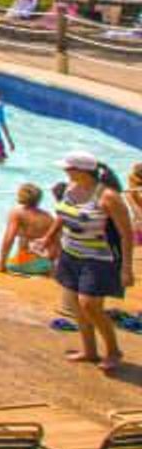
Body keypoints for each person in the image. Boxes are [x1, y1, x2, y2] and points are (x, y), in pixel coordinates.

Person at [40, 152, 136, 371]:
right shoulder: (69, 189)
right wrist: (48, 237)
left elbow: (126, 234)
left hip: (99, 258)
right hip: (71, 253)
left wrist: (127, 268)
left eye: (68, 168)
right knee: (76, 305)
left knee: (89, 305)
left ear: (81, 171)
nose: (65, 171)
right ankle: (89, 350)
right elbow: (63, 215)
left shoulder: (108, 196)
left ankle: (113, 351)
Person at [0, 183, 57, 274]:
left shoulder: (17, 213)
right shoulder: (48, 216)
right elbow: (56, 243)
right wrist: (49, 265)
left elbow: (8, 239)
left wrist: (2, 263)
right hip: (46, 263)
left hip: (26, 262)